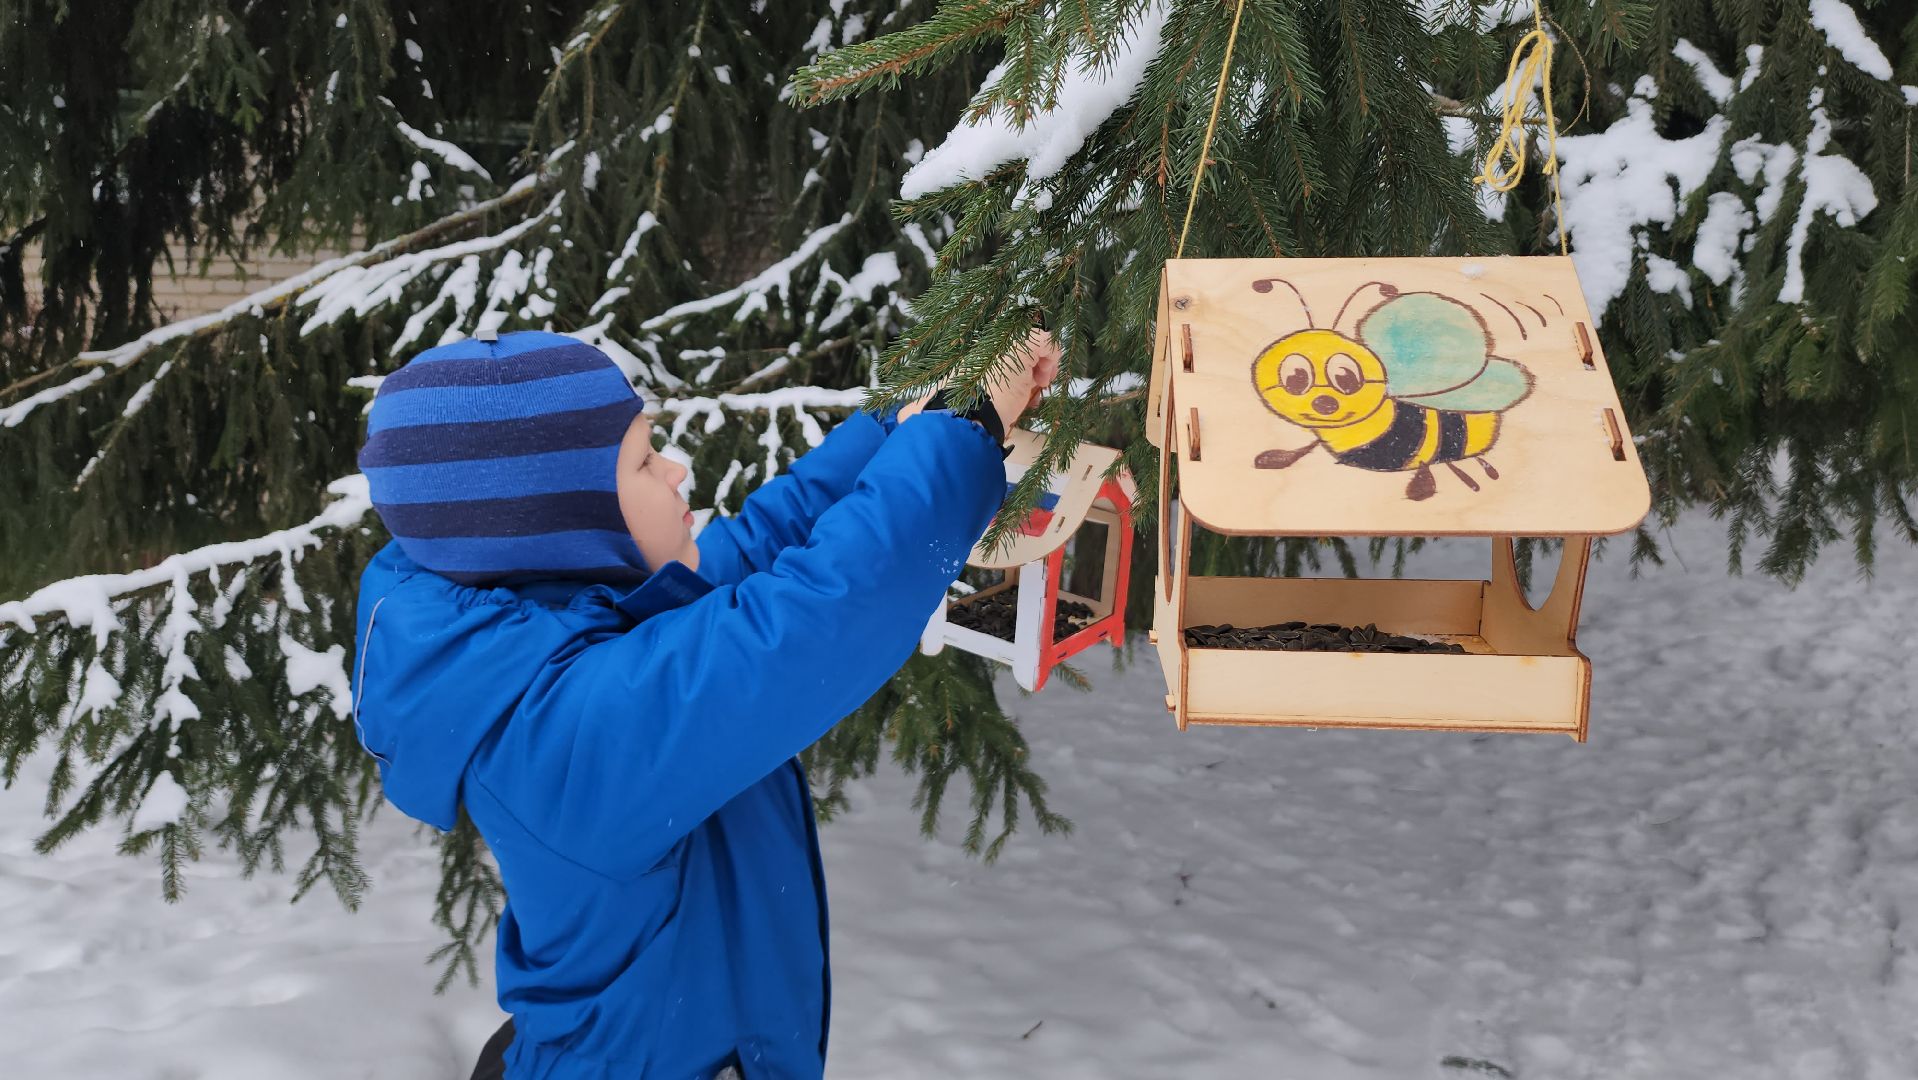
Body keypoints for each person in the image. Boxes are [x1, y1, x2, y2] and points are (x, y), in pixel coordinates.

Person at [350, 328, 1060, 1079]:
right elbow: (810, 623)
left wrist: (903, 420)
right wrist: (962, 431)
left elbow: (762, 544)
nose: (675, 469)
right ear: (565, 523)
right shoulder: (557, 735)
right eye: (644, 462)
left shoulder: (573, 625)